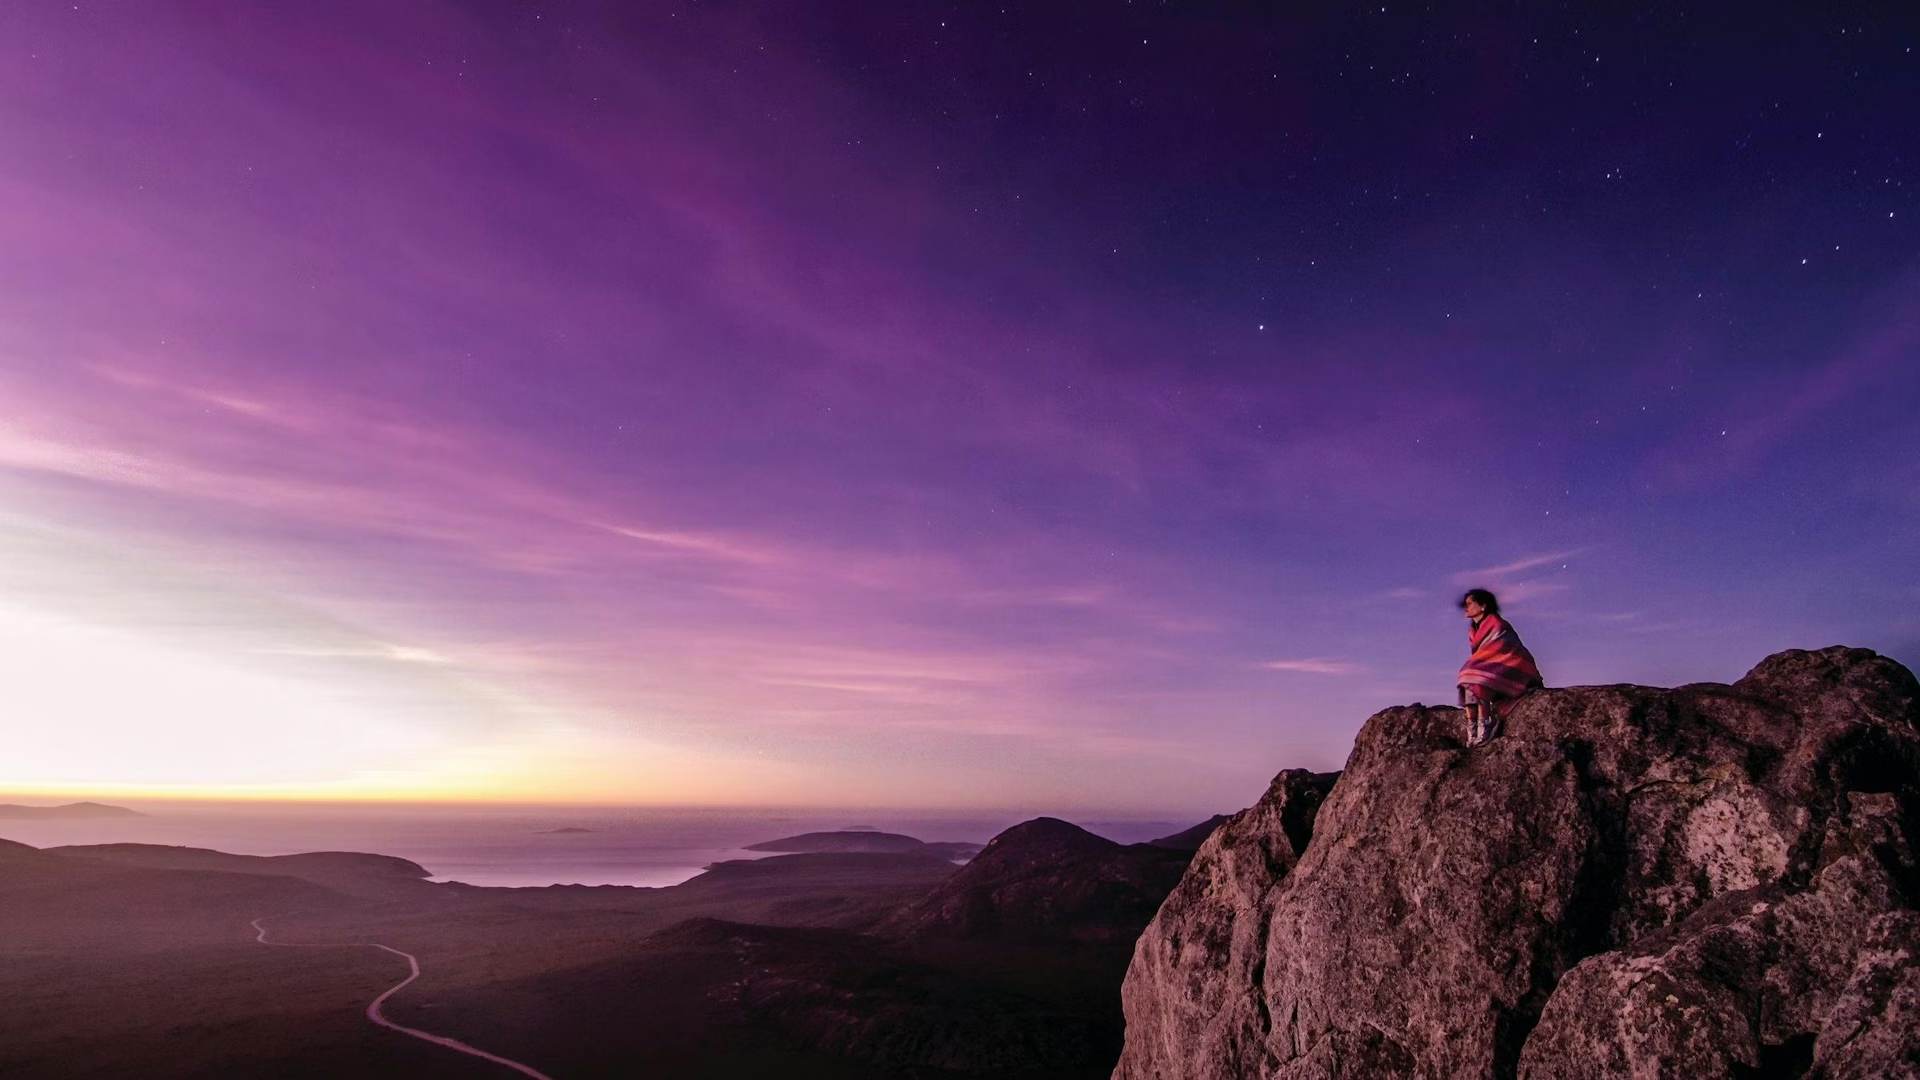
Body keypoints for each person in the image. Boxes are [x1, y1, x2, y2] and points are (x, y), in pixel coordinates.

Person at [1456, 588, 1544, 746]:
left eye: (1469, 603)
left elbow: (1501, 649)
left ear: (1482, 606)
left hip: (1512, 664)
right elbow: (1482, 654)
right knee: (1469, 679)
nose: (1466, 607)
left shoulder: (1497, 624)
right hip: (1491, 665)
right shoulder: (1473, 630)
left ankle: (1485, 722)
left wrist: (1478, 666)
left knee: (1474, 675)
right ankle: (1472, 728)